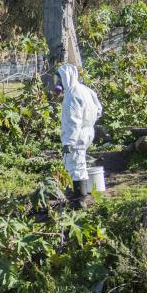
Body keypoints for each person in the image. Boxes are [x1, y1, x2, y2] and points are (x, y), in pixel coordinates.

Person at [56, 64, 102, 209]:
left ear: (65, 78)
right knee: (79, 161)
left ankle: (79, 199)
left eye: (59, 80)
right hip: (88, 130)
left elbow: (73, 121)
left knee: (75, 163)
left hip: (77, 134)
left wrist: (68, 142)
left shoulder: (72, 94)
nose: (58, 84)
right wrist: (90, 121)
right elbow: (99, 109)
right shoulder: (85, 89)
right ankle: (80, 193)